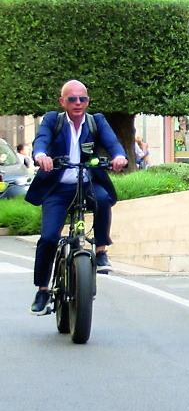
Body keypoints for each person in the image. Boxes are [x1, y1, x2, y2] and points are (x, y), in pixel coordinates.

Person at [25, 80, 128, 315]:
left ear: (88, 101)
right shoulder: (54, 119)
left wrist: (119, 156)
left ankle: (101, 251)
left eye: (83, 99)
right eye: (72, 99)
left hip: (87, 182)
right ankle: (42, 290)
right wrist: (41, 155)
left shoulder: (96, 121)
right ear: (63, 102)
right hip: (58, 188)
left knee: (102, 200)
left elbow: (113, 143)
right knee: (49, 238)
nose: (78, 103)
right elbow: (40, 140)